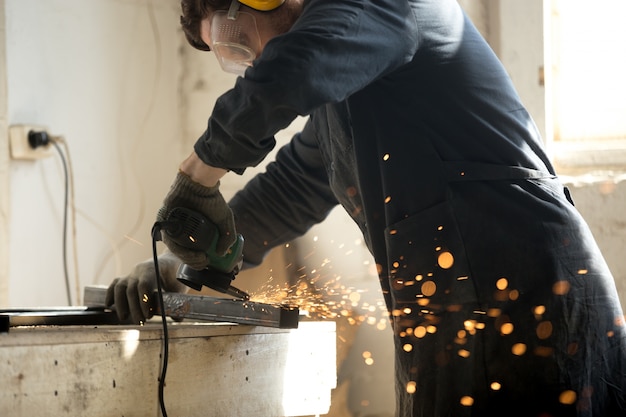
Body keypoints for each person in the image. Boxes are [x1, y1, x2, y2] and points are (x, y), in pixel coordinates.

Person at [106, 0, 626, 415]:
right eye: (233, 57)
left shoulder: (389, 4)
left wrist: (196, 176)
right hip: (449, 318)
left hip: (532, 301)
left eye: (237, 39)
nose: (252, 63)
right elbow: (289, 189)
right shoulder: (342, 98)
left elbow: (295, 68)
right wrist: (187, 264)